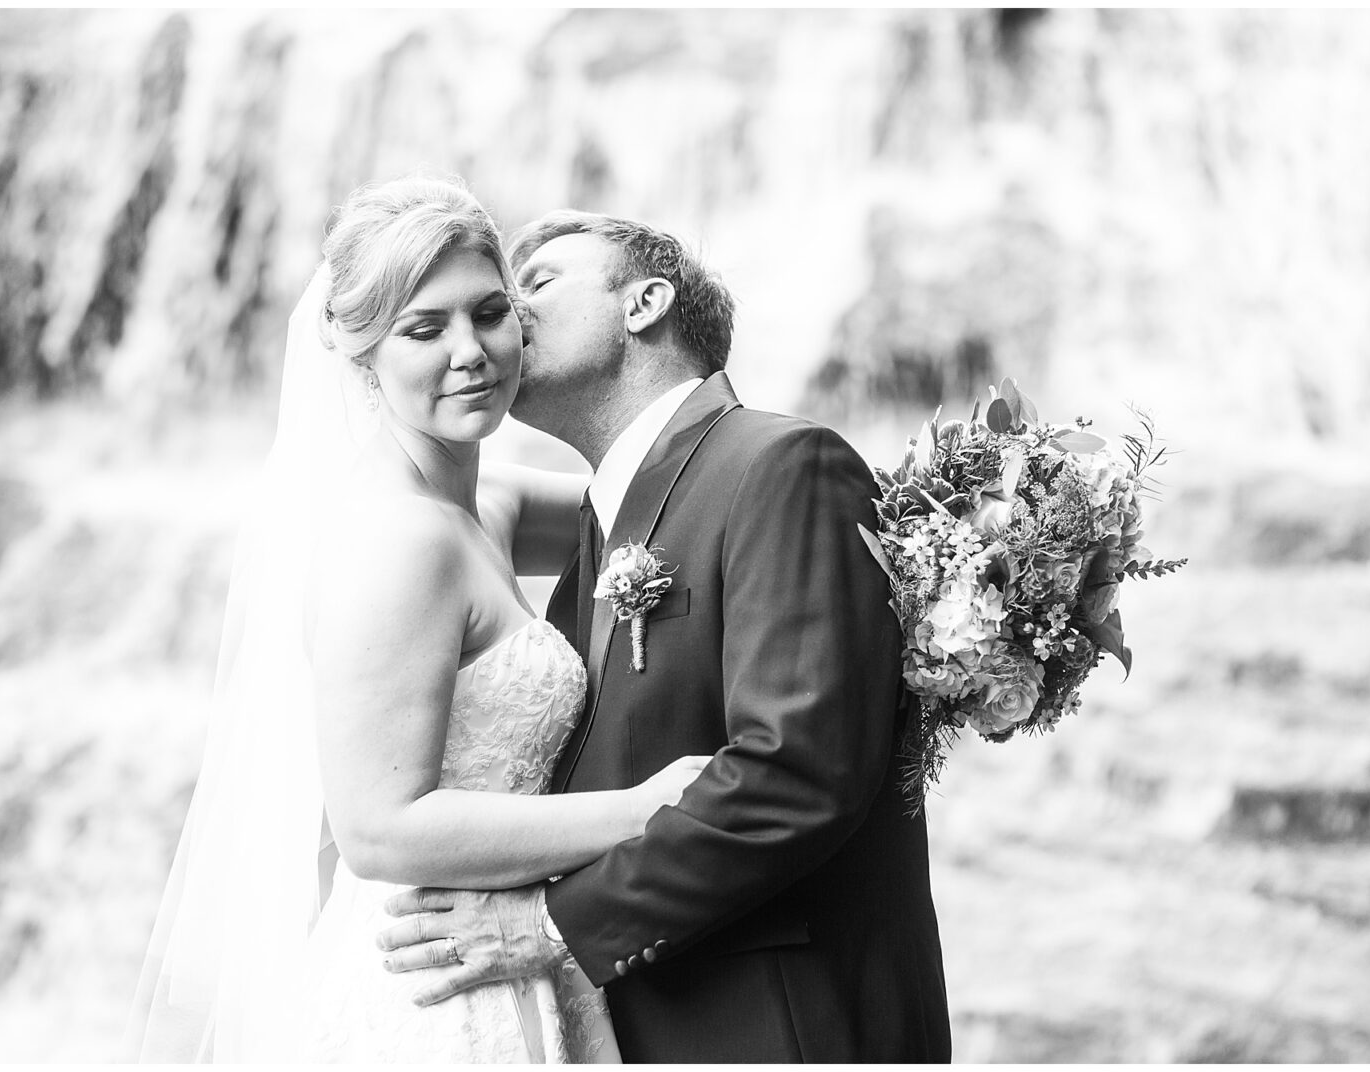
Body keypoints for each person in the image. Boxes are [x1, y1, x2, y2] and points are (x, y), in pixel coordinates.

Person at [126, 177, 709, 1062]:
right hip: (433, 990)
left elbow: (682, 506)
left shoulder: (492, 499)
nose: (470, 353)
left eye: (487, 312)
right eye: (423, 329)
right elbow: (378, 828)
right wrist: (641, 810)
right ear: (360, 355)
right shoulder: (398, 540)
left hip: (516, 951)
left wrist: (946, 535)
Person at [376, 211, 953, 1062]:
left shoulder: (781, 464)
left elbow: (798, 770)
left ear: (644, 303)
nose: (505, 311)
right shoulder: (598, 517)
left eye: (533, 285)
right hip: (646, 1019)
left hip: (779, 1021)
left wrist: (552, 925)